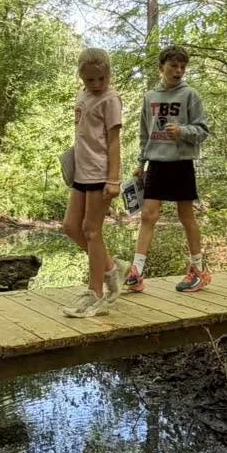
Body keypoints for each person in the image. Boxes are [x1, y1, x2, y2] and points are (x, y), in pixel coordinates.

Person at [123, 46, 212, 293]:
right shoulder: (150, 97)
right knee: (148, 215)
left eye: (182, 67)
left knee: (186, 217)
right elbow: (145, 134)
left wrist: (182, 131)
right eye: (173, 66)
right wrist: (140, 164)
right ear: (161, 67)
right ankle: (137, 272)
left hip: (181, 163)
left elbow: (203, 130)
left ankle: (198, 270)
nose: (178, 71)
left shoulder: (190, 95)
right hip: (156, 163)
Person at [61, 49, 124, 317]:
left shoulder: (110, 99)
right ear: (81, 76)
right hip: (81, 172)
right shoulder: (82, 95)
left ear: (108, 74)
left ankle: (95, 294)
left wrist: (114, 179)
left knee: (91, 230)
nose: (96, 84)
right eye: (90, 80)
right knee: (70, 226)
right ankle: (111, 268)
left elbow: (114, 142)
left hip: (101, 173)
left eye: (101, 78)